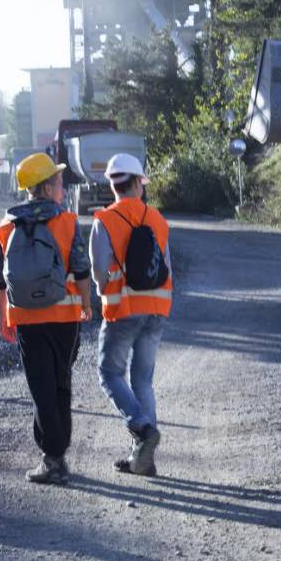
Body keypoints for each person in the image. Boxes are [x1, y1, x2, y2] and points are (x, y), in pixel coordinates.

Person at [0, 152, 92, 485]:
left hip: (26, 319)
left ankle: (53, 457)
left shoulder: (6, 225)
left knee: (41, 388)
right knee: (61, 382)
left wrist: (3, 317)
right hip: (64, 317)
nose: (63, 187)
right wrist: (87, 304)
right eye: (59, 182)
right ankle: (56, 456)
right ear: (46, 189)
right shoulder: (66, 221)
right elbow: (80, 269)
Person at [89, 153, 172, 477]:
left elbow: (98, 269)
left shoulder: (105, 220)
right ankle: (144, 460)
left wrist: (103, 289)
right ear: (138, 183)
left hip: (123, 309)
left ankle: (142, 429)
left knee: (110, 374)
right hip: (156, 309)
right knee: (143, 380)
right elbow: (167, 265)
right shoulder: (158, 219)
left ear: (113, 184)